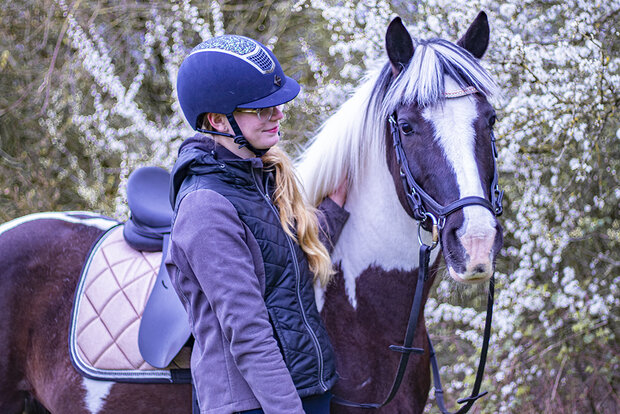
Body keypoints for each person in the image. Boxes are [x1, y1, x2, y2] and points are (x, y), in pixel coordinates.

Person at [166, 34, 349, 414]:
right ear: (218, 120)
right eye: (260, 109)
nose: (278, 115)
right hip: (256, 405)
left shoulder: (259, 180)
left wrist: (335, 208)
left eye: (277, 105)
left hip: (305, 390)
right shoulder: (205, 209)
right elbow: (247, 332)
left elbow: (286, 264)